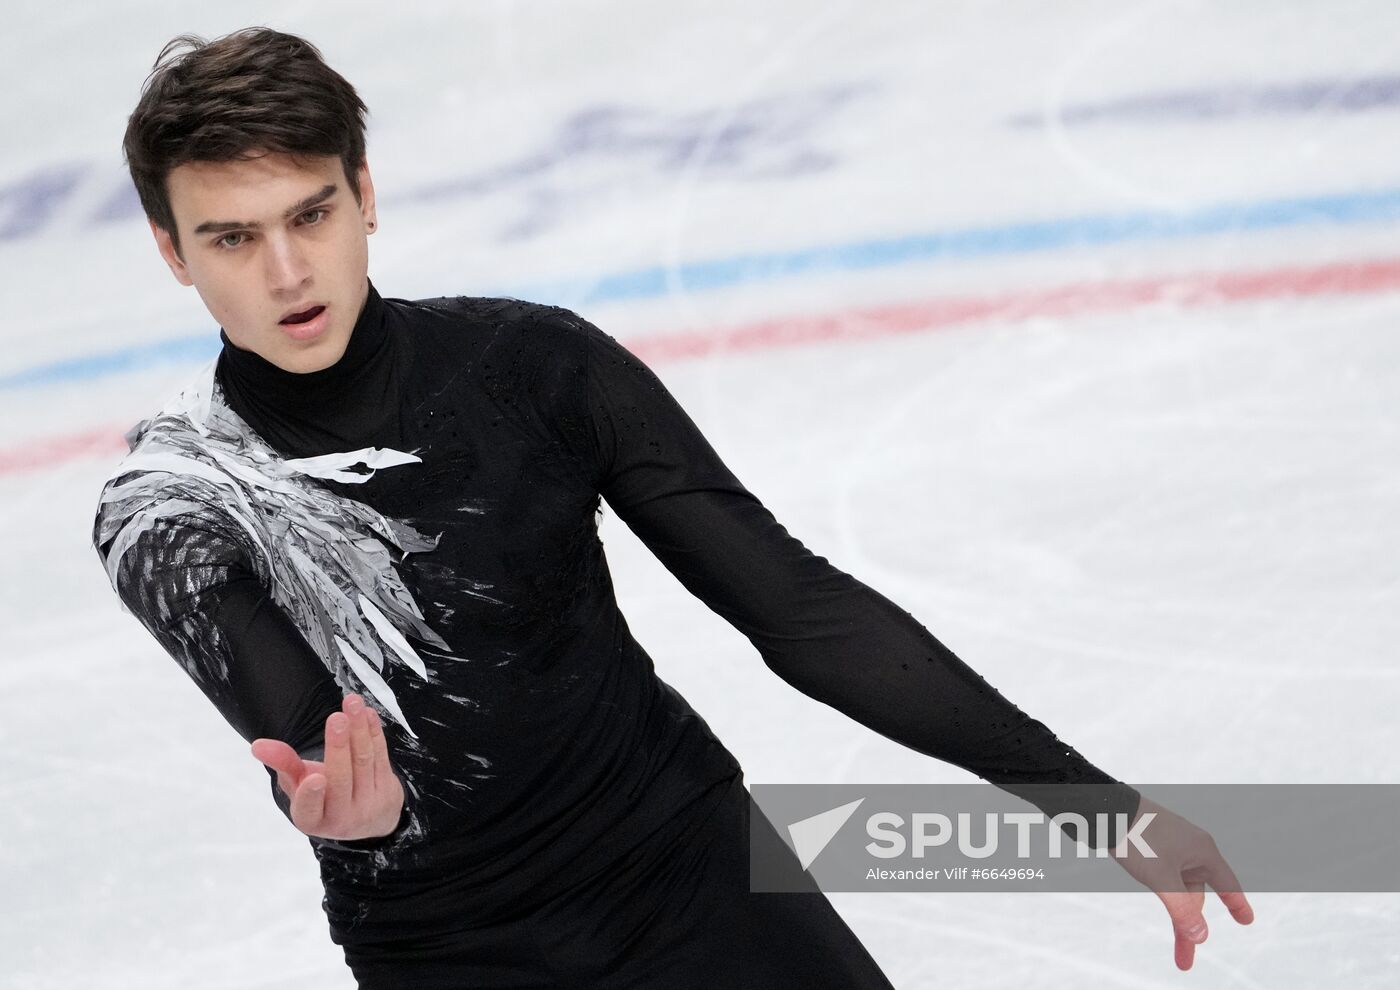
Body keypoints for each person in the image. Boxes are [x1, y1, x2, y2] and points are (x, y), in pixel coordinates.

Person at [92, 27, 1253, 988]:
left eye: (310, 215)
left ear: (365, 198)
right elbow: (307, 737)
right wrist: (360, 812)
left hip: (687, 868)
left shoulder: (531, 366)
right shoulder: (174, 506)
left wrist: (1091, 804)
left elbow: (793, 605)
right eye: (233, 238)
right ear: (171, 251)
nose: (288, 272)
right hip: (447, 948)